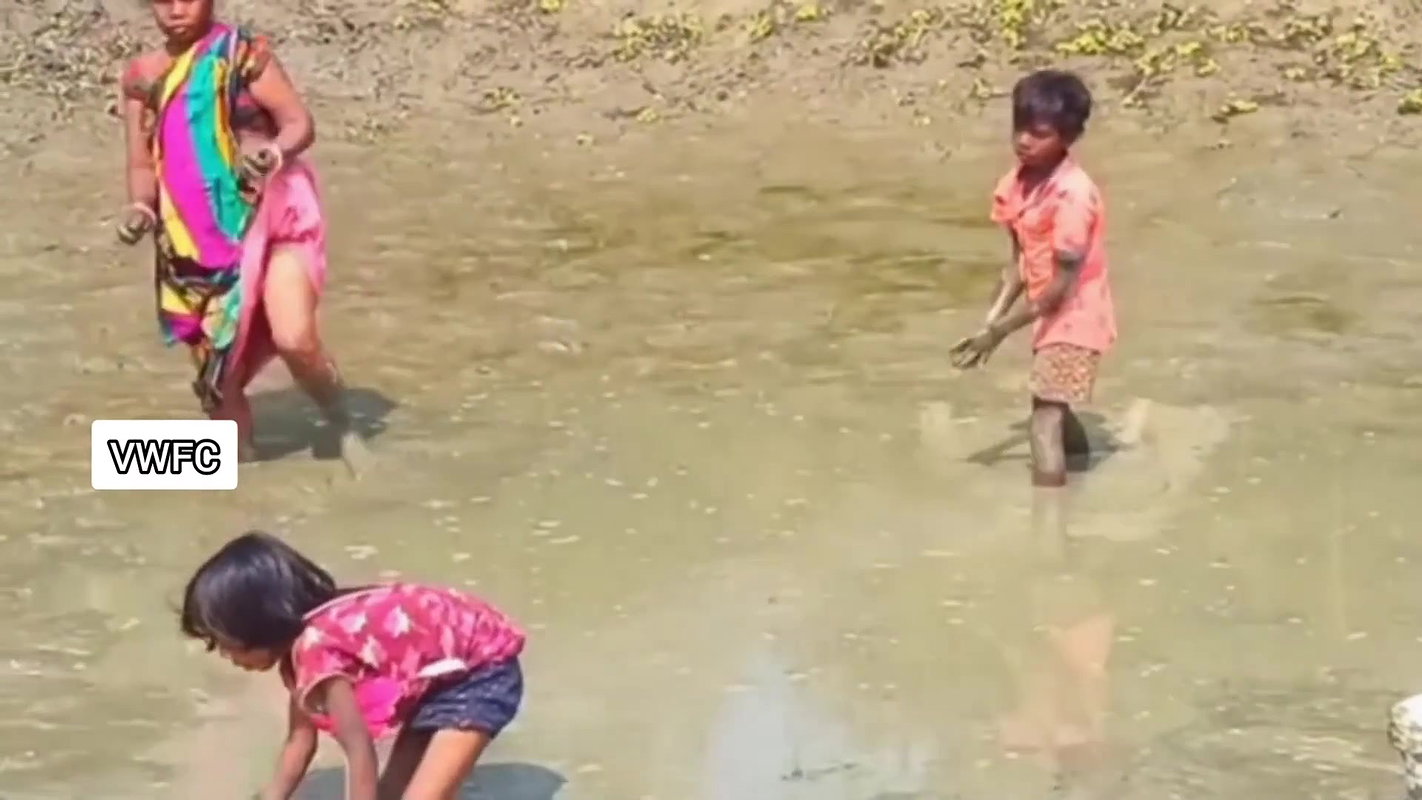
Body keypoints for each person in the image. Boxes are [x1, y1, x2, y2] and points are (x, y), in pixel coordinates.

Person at [116, 0, 366, 469]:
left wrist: (274, 152)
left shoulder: (243, 55)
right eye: (162, 0)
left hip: (274, 216)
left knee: (295, 338)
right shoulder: (142, 77)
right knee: (219, 382)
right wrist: (139, 207)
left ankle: (341, 418)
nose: (175, 10)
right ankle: (232, 476)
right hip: (193, 240)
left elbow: (298, 124)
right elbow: (140, 161)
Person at [180, 532, 527, 800]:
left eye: (222, 643)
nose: (225, 655)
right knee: (388, 795)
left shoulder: (317, 647)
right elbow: (300, 741)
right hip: (440, 683)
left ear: (254, 623)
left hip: (483, 673)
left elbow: (358, 749)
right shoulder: (304, 646)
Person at [951, 69, 1117, 488]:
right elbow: (1018, 263)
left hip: (1077, 313)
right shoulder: (1017, 184)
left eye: (1038, 133)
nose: (1023, 140)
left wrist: (1001, 332)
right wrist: (991, 320)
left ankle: (1050, 522)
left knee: (1043, 420)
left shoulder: (1074, 197)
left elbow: (1060, 289)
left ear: (1067, 137)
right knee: (1053, 401)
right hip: (1045, 310)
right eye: (1019, 128)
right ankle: (1083, 465)